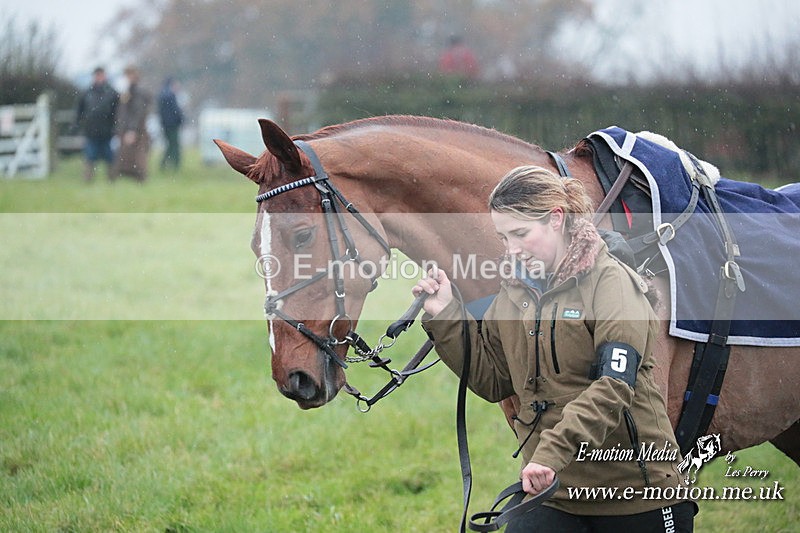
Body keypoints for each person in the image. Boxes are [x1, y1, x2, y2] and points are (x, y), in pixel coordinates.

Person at [413, 166, 695, 532]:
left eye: (521, 234)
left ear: (556, 219)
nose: (511, 249)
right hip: (553, 494)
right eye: (504, 237)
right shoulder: (514, 293)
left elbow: (613, 388)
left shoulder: (612, 284)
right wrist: (446, 315)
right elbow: (494, 380)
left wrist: (550, 454)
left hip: (637, 495)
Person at [75, 67, 119, 181]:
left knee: (110, 157)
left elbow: (117, 112)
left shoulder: (112, 93)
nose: (99, 78)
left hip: (108, 132)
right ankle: (88, 179)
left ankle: (112, 179)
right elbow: (80, 111)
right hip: (91, 132)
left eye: (101, 75)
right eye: (97, 75)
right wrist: (77, 125)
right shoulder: (86, 93)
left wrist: (116, 128)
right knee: (89, 157)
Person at [114, 65, 152, 181]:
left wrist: (132, 130)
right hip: (128, 129)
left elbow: (137, 112)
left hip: (135, 130)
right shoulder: (128, 91)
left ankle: (139, 178)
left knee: (137, 156)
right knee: (128, 155)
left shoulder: (137, 92)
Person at [157, 77, 184, 171]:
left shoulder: (162, 95)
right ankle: (175, 164)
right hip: (172, 125)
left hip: (166, 125)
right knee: (174, 145)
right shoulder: (170, 95)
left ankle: (164, 164)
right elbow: (176, 111)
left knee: (170, 145)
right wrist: (181, 120)